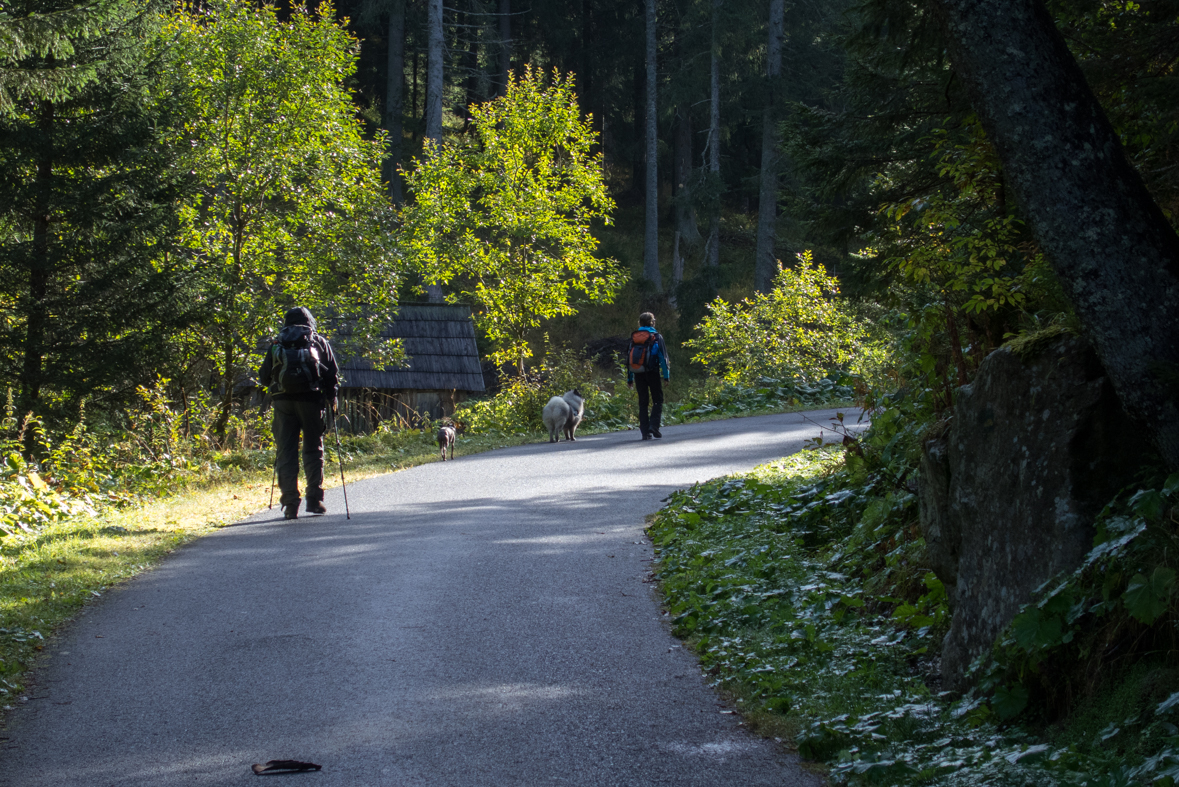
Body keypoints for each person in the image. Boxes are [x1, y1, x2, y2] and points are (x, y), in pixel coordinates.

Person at [259, 307, 339, 520]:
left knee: (286, 452)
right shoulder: (318, 341)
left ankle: (291, 503)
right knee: (313, 449)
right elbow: (331, 374)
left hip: (283, 402)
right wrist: (332, 399)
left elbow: (264, 377)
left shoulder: (277, 343)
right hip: (311, 401)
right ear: (310, 321)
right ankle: (314, 500)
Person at [626, 312, 670, 440]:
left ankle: (645, 432)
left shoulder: (634, 337)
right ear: (653, 322)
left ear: (639, 322)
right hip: (653, 372)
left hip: (638, 373)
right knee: (658, 400)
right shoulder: (656, 336)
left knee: (643, 402)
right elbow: (663, 358)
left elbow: (630, 359)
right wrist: (666, 376)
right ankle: (654, 426)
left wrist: (630, 378)